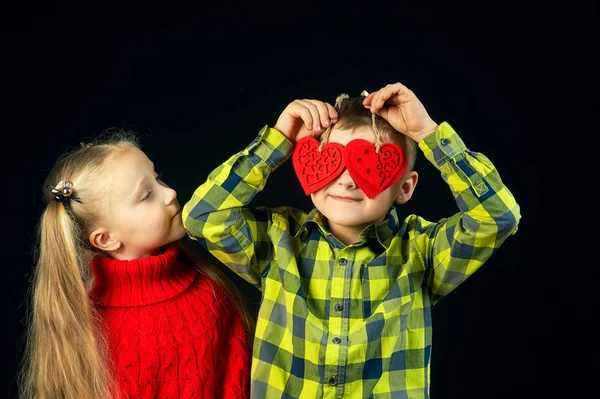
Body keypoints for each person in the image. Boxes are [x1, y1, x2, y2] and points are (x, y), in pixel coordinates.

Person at [182, 82, 521, 398]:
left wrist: (426, 133)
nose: (346, 181)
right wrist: (277, 141)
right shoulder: (276, 238)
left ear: (405, 187)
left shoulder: (422, 251)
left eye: (367, 164)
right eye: (335, 161)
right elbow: (202, 216)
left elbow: (497, 218)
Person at [19, 131, 253, 399]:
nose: (170, 193)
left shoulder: (207, 287)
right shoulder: (93, 334)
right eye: (146, 195)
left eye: (158, 178)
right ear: (106, 239)